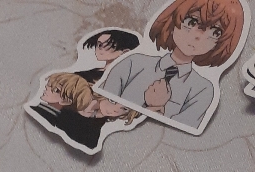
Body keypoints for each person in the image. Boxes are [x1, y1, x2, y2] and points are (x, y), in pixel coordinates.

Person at [98, 0, 246, 131]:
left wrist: (157, 108)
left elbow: (181, 132)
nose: (198, 36)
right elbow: (103, 99)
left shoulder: (202, 90)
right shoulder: (134, 62)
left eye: (215, 32)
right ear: (173, 19)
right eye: (192, 22)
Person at [30, 72, 139, 150]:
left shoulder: (94, 133)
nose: (115, 109)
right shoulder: (78, 93)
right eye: (112, 101)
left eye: (125, 109)